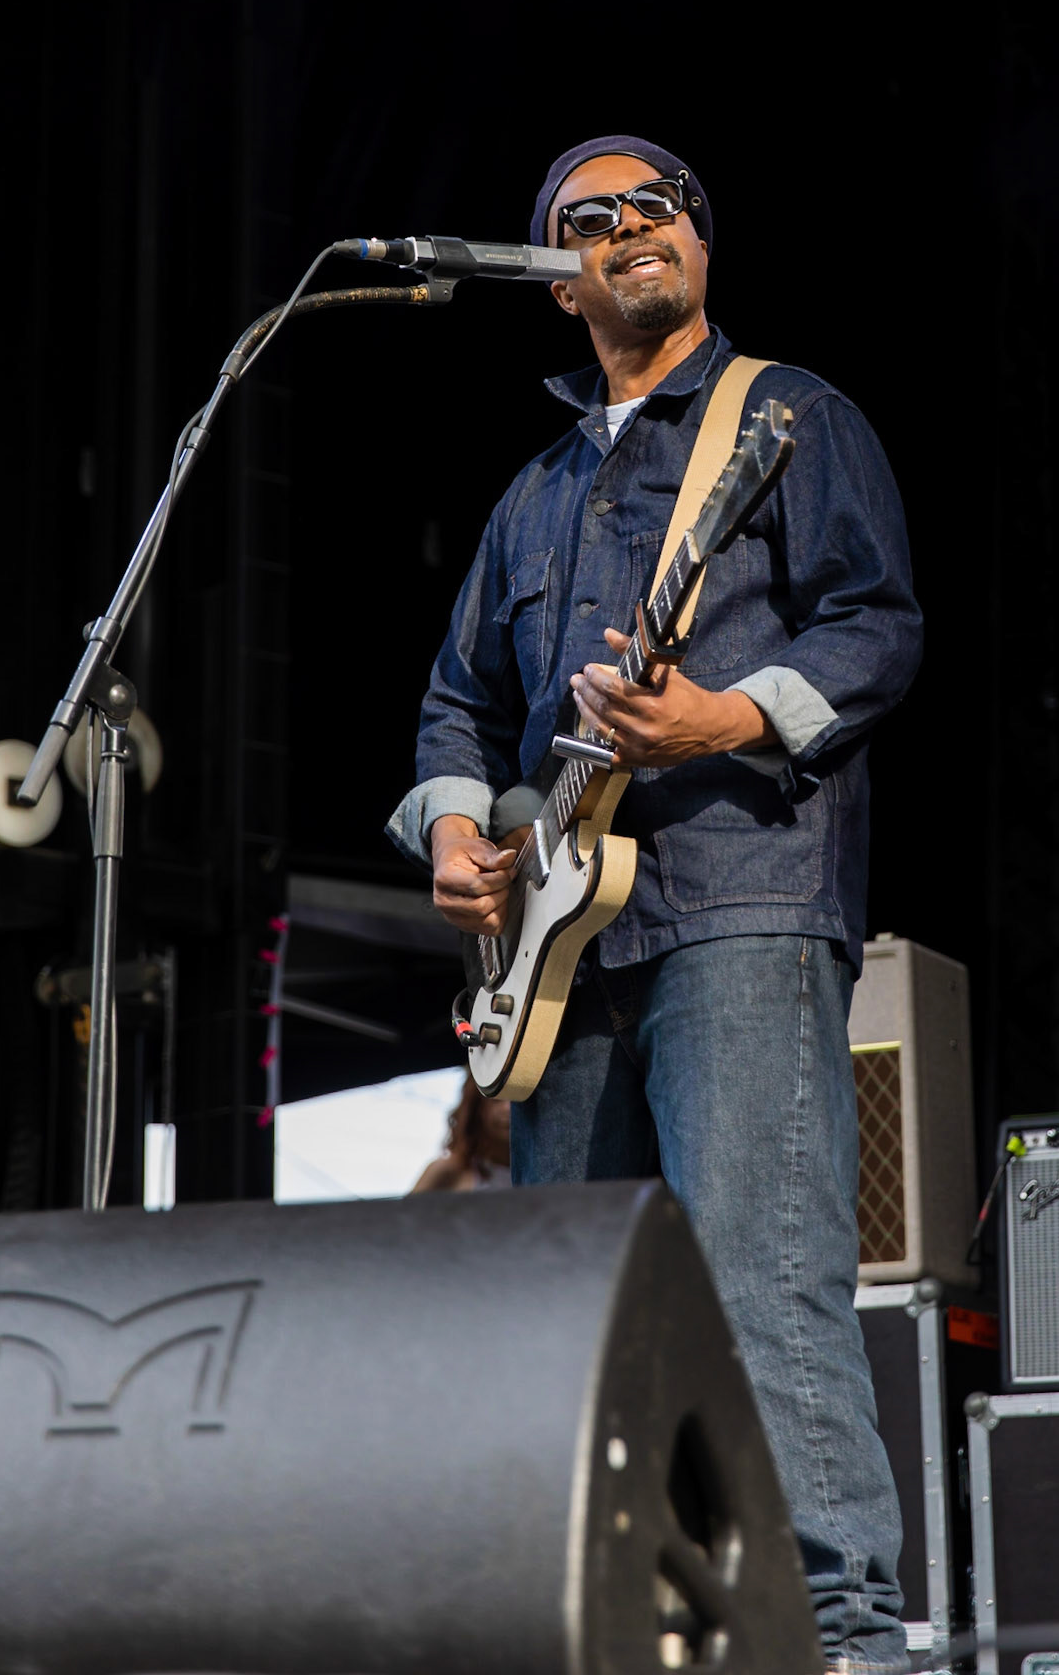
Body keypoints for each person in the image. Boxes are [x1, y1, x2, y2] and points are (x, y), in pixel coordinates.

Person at [387, 134, 922, 1670]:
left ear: (699, 243)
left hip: (740, 904)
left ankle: (836, 1633)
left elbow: (876, 628)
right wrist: (455, 834)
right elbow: (456, 706)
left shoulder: (789, 418)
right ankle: (626, 1628)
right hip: (558, 962)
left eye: (662, 204)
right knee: (585, 1316)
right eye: (593, 216)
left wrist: (720, 718)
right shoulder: (535, 492)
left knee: (760, 1282)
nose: (635, 223)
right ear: (558, 281)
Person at [410, 1074, 511, 1192]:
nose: (507, 1108)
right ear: (476, 1109)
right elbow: (409, 1205)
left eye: (516, 1100)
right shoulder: (450, 1171)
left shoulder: (528, 1175)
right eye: (496, 1100)